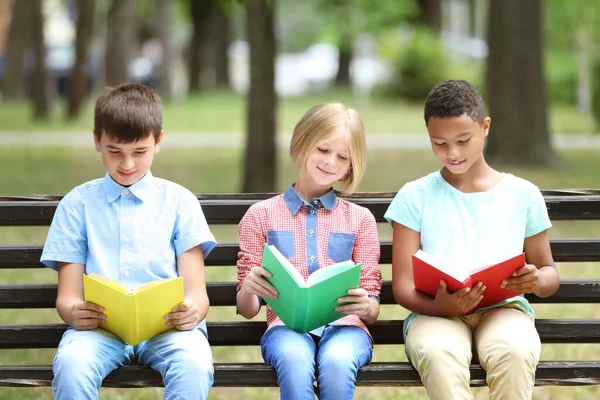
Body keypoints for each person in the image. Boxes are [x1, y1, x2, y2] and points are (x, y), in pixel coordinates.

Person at [384, 79, 559, 400]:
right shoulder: (415, 196)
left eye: (464, 140)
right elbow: (403, 287)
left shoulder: (523, 194)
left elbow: (549, 273)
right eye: (439, 143)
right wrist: (442, 306)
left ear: (485, 127)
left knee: (515, 353)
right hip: (434, 314)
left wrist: (536, 280)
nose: (452, 153)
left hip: (504, 310)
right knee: (439, 356)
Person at [40, 83, 216, 400]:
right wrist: (74, 312)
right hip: (100, 331)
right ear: (97, 139)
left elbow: (197, 295)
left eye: (139, 152)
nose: (127, 164)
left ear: (158, 141)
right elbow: (67, 298)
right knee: (71, 364)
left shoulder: (180, 202)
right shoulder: (77, 204)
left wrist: (191, 311)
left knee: (193, 364)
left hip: (168, 329)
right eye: (115, 152)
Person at [236, 103, 382, 400]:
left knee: (339, 363)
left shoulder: (360, 220)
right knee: (293, 360)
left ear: (351, 166)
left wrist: (366, 305)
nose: (331, 162)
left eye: (342, 157)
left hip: (346, 329)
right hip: (286, 328)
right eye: (323, 149)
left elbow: (372, 306)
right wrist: (250, 288)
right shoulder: (260, 216)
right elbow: (248, 309)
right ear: (301, 143)